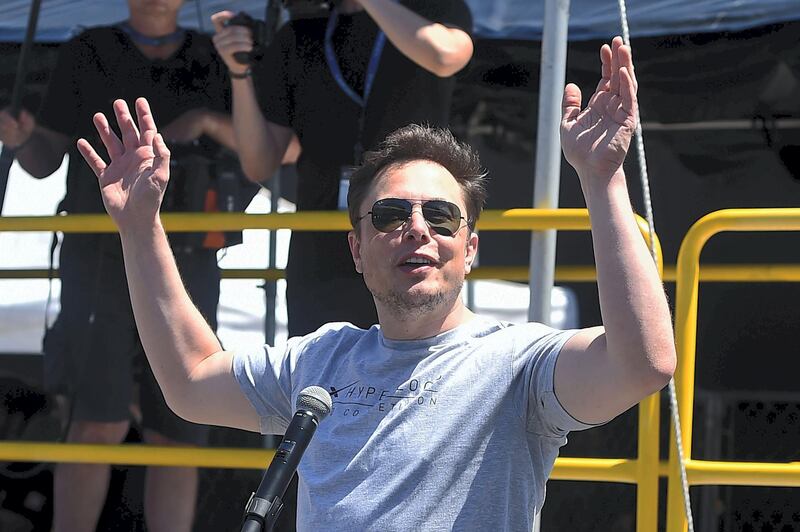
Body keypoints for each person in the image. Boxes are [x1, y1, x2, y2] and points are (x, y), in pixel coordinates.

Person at [76, 37, 677, 529]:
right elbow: (190, 382)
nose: (417, 229)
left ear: (469, 249)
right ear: (356, 249)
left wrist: (603, 182)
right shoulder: (322, 356)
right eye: (390, 216)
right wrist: (140, 227)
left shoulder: (517, 364)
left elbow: (642, 364)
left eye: (440, 216)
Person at [0, 1, 238, 530]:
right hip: (98, 257)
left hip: (191, 258)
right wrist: (21, 139)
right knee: (94, 421)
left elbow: (268, 151)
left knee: (182, 424)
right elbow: (43, 161)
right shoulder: (87, 51)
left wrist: (204, 122)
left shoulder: (216, 56)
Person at [210, 0, 474, 337]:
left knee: (410, 366)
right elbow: (259, 163)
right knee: (318, 369)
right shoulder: (300, 33)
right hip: (321, 236)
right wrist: (239, 72)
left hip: (410, 232)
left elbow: (445, 56)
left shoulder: (430, 11)